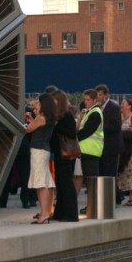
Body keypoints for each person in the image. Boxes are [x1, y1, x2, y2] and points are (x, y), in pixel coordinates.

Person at [26, 93, 56, 224]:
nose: (36, 104)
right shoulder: (49, 118)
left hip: (38, 151)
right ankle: (46, 212)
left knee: (40, 183)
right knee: (44, 181)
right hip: (44, 150)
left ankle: (44, 213)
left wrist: (32, 119)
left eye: (38, 102)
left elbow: (28, 129)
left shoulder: (41, 118)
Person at [49, 89, 78, 222]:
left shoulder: (66, 115)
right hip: (58, 153)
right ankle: (60, 213)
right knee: (60, 184)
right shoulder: (59, 116)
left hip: (65, 154)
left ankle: (71, 214)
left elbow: (72, 133)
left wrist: (56, 127)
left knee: (66, 184)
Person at [117, 97, 132, 206]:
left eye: (123, 103)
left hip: (131, 149)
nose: (121, 105)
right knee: (122, 173)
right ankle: (120, 194)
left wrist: (127, 134)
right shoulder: (120, 116)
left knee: (131, 173)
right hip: (121, 149)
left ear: (129, 106)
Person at [96, 84, 122, 178]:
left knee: (109, 173)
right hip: (101, 147)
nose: (98, 97)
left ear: (106, 95)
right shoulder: (97, 108)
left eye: (100, 95)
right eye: (97, 95)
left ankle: (111, 192)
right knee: (102, 172)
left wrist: (100, 128)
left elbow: (117, 126)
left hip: (111, 147)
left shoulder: (113, 107)